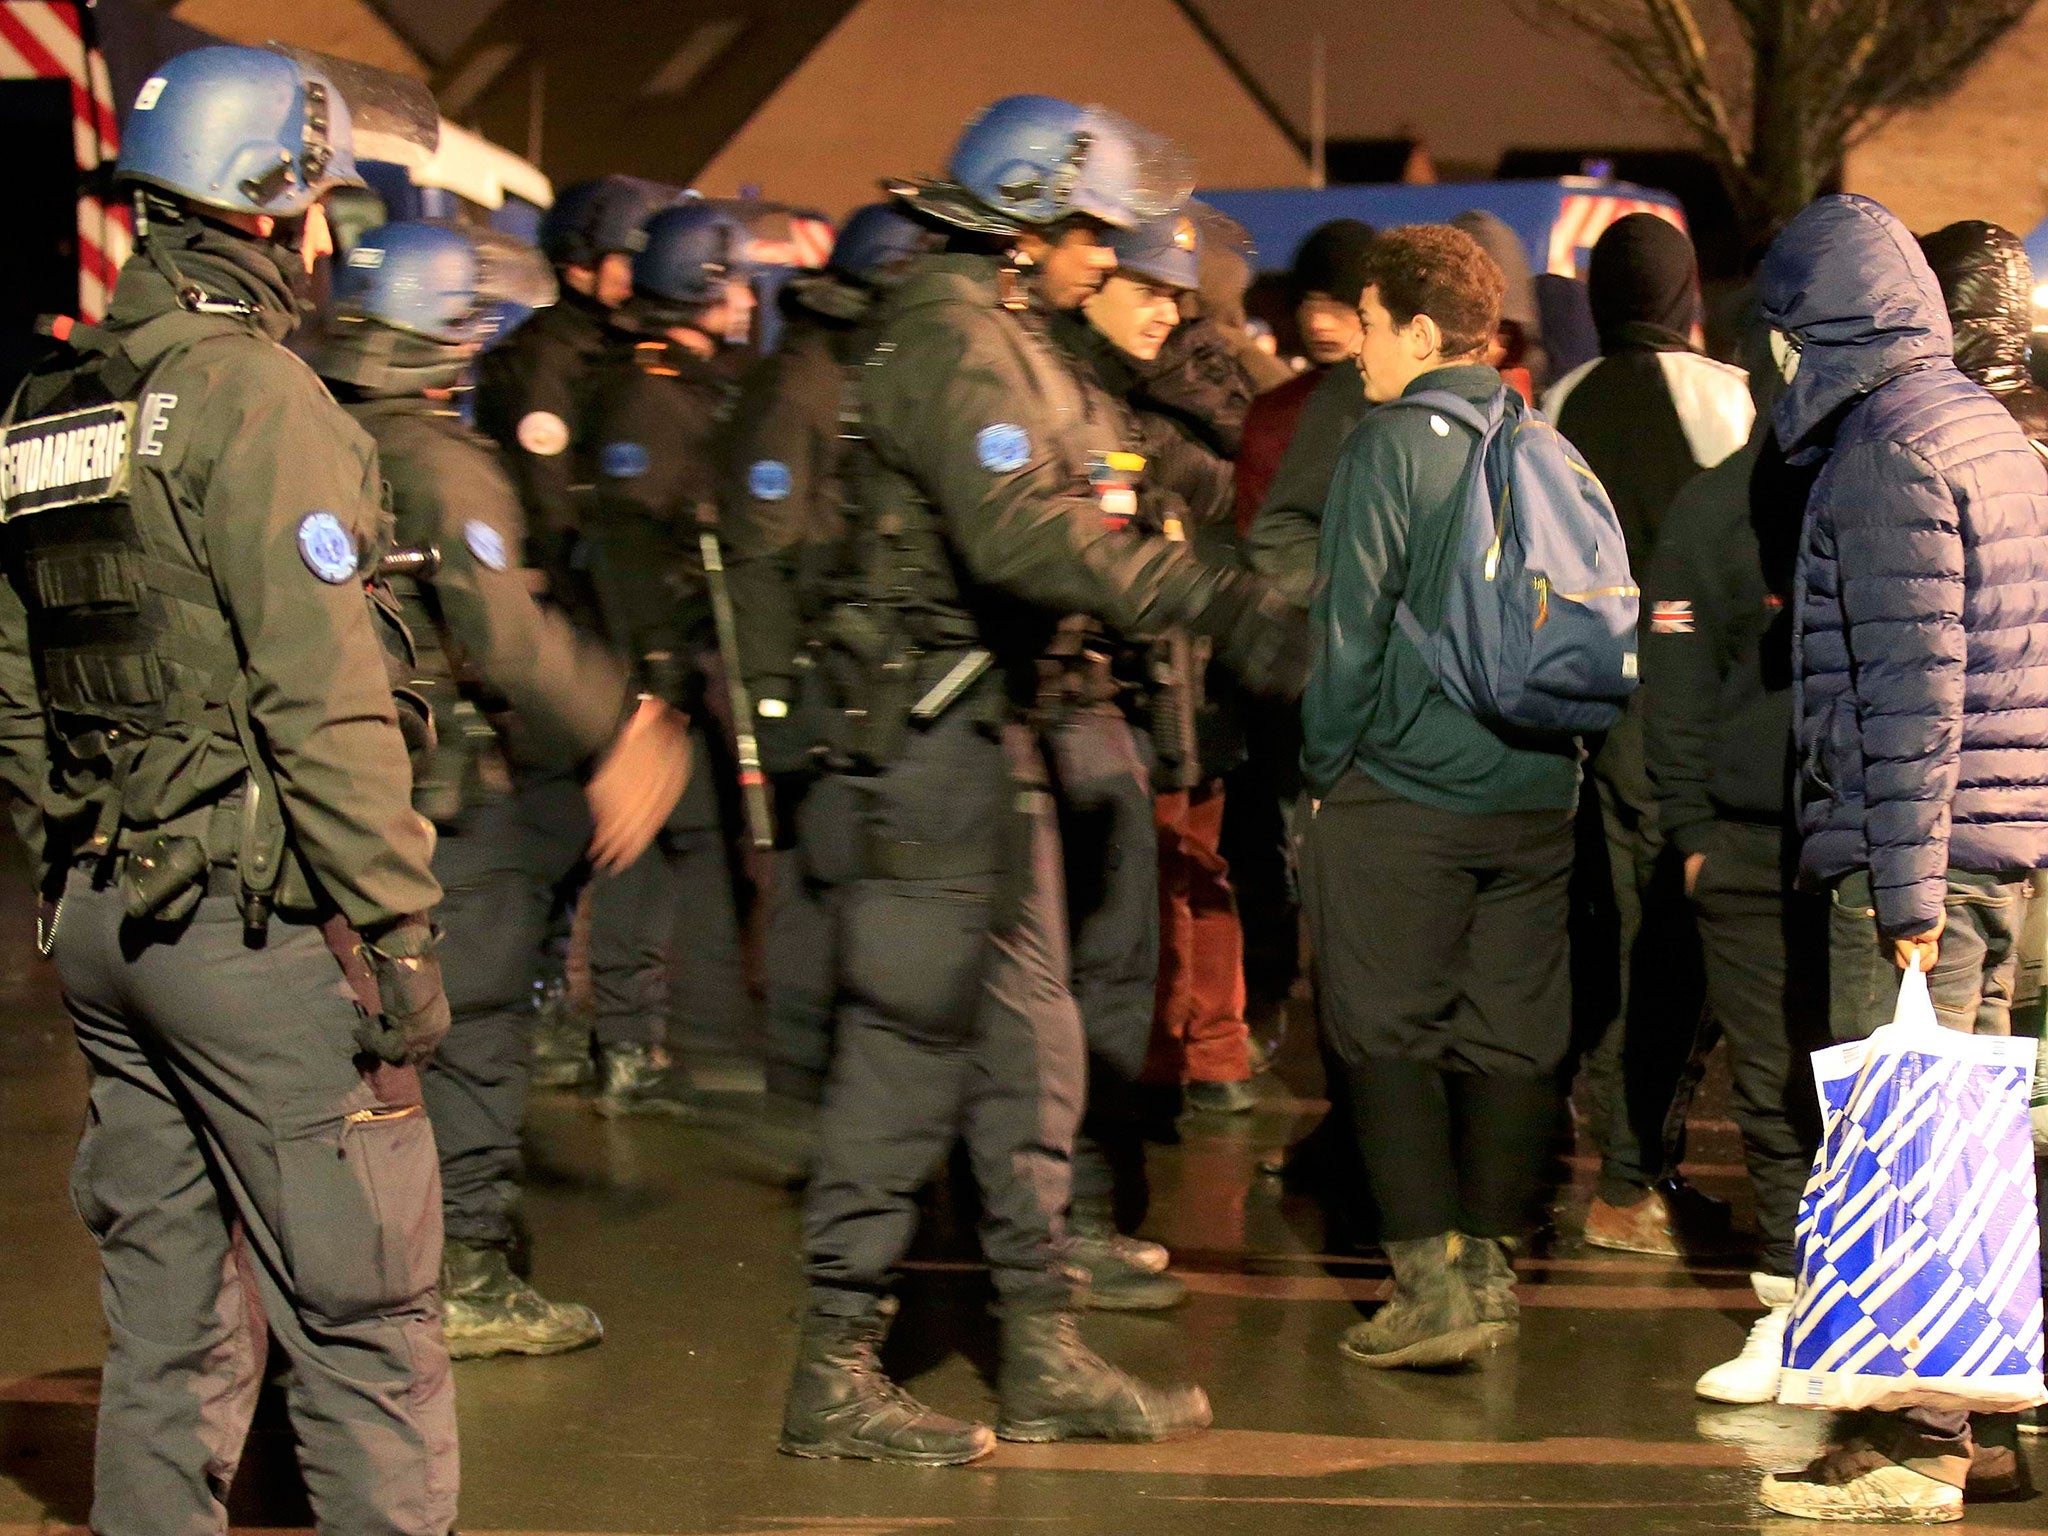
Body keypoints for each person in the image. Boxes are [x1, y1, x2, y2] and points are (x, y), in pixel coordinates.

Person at [780, 93, 1305, 1466]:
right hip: (927, 757)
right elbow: (1022, 535)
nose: (1104, 252)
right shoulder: (956, 339)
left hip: (983, 749)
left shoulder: (994, 336)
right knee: (903, 1060)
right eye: (1090, 227)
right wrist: (1212, 595)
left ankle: (1042, 1352)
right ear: (1030, 218)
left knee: (1033, 1056)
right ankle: (833, 1366)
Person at [0, 45, 456, 1533]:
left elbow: (17, 690)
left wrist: (75, 857)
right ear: (268, 211)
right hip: (262, 942)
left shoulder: (50, 403)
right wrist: (394, 929)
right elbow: (325, 698)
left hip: (111, 926)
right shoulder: (263, 403)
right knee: (366, 1325)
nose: (327, 236)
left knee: (170, 1340)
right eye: (317, 201)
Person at [313, 222, 691, 1357]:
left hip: (322, 781)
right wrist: (621, 725)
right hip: (435, 789)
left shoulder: (301, 431)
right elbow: (507, 636)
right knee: (472, 1021)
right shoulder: (439, 460)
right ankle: (467, 1272)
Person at [1754, 193, 2048, 1524]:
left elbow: (1915, 687)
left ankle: (1914, 1450)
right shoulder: (1984, 430)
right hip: (2002, 845)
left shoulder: (1885, 453)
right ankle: (1950, 1422)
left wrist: (1907, 896)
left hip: (1917, 854)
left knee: (1910, 1151)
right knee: (1967, 1152)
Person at [1301, 223, 1578, 1370]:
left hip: (1406, 788)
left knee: (1383, 1027)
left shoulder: (1386, 445)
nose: (1355, 345)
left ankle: (1426, 1290)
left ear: (1417, 330)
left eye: (1366, 323)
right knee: (1511, 1032)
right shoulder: (1544, 440)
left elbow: (1347, 635)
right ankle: (1493, 1274)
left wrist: (1323, 772)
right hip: (1535, 788)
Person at [1545, 212, 1753, 1256]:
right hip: (1686, 717)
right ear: (1683, 298)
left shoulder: (1556, 402)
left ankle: (1624, 1172)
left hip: (1577, 714)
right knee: (1676, 950)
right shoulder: (1721, 398)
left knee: (1605, 938)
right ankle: (1630, 1180)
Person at [1641, 321, 1825, 1404]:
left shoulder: (1865, 491)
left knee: (1854, 1077)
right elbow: (1672, 682)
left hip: (1853, 841)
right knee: (1767, 1084)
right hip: (1748, 841)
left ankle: (1860, 1304)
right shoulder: (1710, 510)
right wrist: (1694, 834)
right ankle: (1787, 1300)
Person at [578, 199, 759, 1113]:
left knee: (682, 845)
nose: (746, 300)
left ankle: (656, 1033)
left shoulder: (688, 382)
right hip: (651, 659)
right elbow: (627, 539)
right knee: (641, 849)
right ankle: (625, 1040)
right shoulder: (648, 393)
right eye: (730, 282)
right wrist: (652, 674)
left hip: (685, 651)